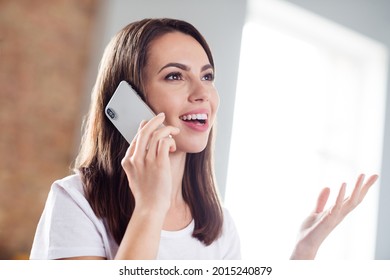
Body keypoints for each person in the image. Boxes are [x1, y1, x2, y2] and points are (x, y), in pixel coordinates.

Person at [30, 18, 378, 260]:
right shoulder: (76, 201)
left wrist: (303, 252)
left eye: (207, 75)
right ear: (130, 98)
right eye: (175, 76)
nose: (202, 93)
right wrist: (151, 207)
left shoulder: (219, 227)